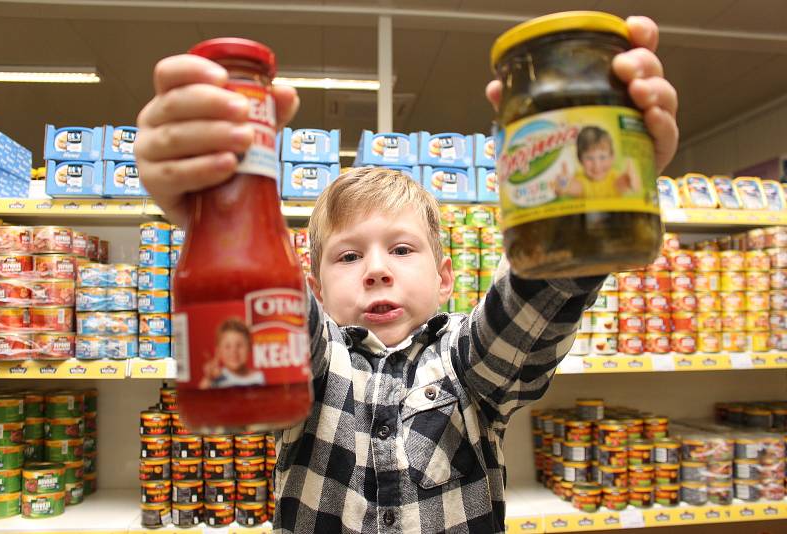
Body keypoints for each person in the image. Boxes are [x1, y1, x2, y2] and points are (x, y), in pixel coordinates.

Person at [136, 16, 678, 533]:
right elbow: (270, 305)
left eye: (401, 250)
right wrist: (214, 200)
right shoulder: (316, 367)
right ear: (316, 288)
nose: (375, 270)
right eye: (348, 257)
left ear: (445, 277)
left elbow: (538, 299)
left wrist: (599, 185)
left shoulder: (467, 365)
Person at [555, 126, 642, 199]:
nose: (597, 165)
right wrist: (564, 183)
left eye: (602, 157)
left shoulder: (614, 178)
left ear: (612, 157)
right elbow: (573, 187)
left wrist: (631, 178)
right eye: (589, 158)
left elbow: (631, 185)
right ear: (580, 160)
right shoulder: (581, 180)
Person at [198, 318, 262, 389]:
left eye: (239, 345)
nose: (234, 351)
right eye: (227, 346)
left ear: (249, 347)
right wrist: (208, 378)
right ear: (218, 351)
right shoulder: (217, 378)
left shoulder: (258, 378)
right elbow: (201, 394)